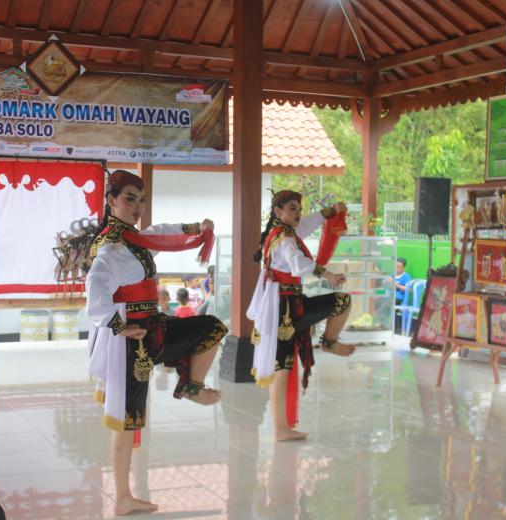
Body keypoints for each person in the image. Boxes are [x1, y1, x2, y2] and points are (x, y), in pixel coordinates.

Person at [86, 170, 227, 516]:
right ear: (111, 201)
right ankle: (123, 497)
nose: (137, 206)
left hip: (154, 329)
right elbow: (95, 290)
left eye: (141, 199)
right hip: (131, 344)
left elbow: (161, 233)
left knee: (211, 328)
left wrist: (195, 228)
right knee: (127, 420)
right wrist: (118, 325)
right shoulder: (111, 247)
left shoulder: (135, 240)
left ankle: (190, 386)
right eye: (129, 198)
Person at [246, 190, 354, 442]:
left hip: (288, 303)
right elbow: (297, 263)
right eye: (292, 208)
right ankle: (329, 342)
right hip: (286, 307)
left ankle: (281, 429)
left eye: (299, 208)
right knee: (282, 368)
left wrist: (329, 212)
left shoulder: (282, 232)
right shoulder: (284, 237)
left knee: (282, 368)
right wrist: (328, 275)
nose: (298, 213)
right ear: (278, 211)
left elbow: (305, 225)